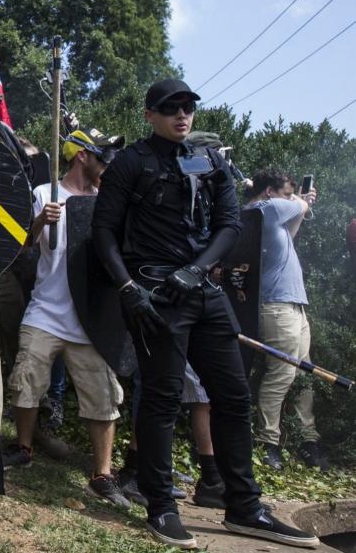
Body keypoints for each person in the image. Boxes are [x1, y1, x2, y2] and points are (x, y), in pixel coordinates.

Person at [93, 78, 317, 549]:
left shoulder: (211, 160)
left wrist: (197, 270)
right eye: (171, 108)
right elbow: (103, 233)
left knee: (232, 397)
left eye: (188, 107)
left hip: (201, 288)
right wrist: (129, 288)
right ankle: (161, 507)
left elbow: (231, 224)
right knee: (162, 398)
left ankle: (245, 506)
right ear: (150, 114)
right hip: (152, 291)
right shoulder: (130, 163)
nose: (182, 115)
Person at [2, 128, 130, 508]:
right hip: (46, 309)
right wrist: (41, 220)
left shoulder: (109, 200)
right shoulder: (45, 194)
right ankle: (23, 448)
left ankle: (102, 474)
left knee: (102, 395)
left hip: (90, 317)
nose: (107, 165)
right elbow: (21, 243)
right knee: (26, 379)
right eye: (102, 157)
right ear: (81, 156)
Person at [246, 170, 327, 471]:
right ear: (269, 191)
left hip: (293, 305)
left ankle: (308, 439)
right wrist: (303, 201)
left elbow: (290, 235)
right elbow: (300, 208)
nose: (289, 199)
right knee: (281, 374)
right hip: (276, 305)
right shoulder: (261, 209)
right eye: (286, 193)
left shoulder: (272, 213)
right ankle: (268, 443)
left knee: (304, 374)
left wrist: (300, 204)